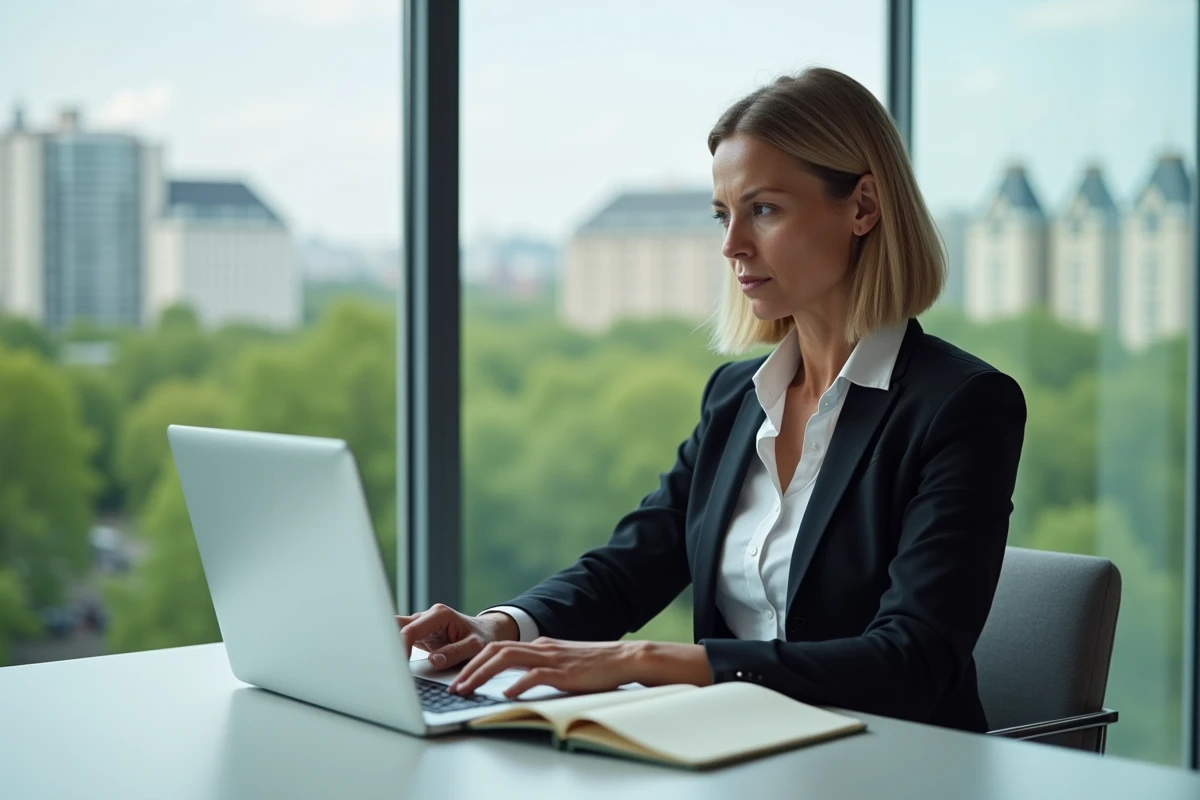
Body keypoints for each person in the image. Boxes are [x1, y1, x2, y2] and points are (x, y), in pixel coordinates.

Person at [398, 67, 1027, 733]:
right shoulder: (736, 398)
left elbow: (911, 663)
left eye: (764, 210)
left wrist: (648, 659)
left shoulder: (962, 406)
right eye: (724, 216)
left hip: (890, 766)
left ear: (864, 207)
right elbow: (632, 564)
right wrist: (498, 625)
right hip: (736, 754)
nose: (732, 246)